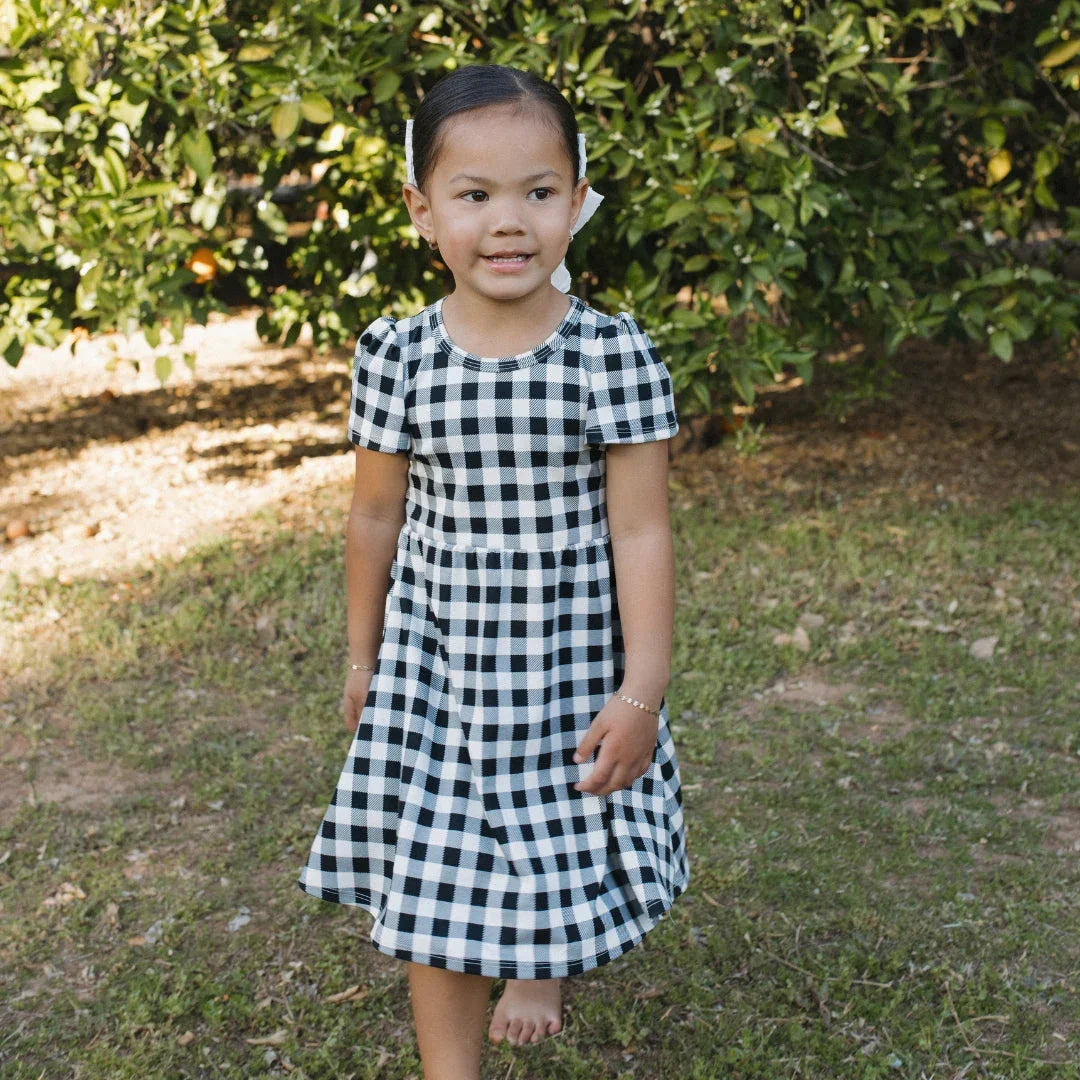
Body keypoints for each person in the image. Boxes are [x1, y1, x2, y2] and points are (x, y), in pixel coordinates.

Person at [297, 63, 689, 1080]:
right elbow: (374, 514)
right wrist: (360, 657)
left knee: (551, 846)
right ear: (424, 211)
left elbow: (643, 532)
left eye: (539, 192)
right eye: (475, 196)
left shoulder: (612, 354)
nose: (508, 222)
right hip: (440, 668)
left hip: (566, 664)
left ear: (578, 202)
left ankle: (538, 969)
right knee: (435, 876)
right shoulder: (398, 355)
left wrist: (641, 692)